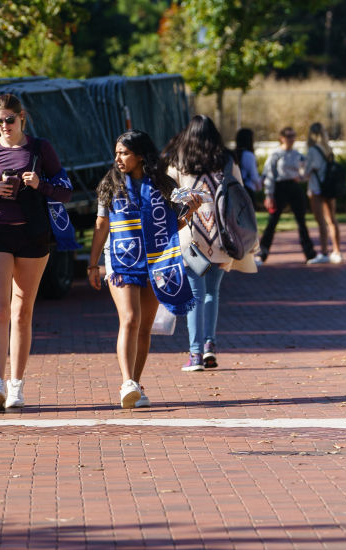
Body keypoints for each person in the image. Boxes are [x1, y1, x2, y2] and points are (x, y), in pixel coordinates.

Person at [0, 93, 72, 410]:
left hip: (33, 235)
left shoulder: (40, 148)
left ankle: (17, 385)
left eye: (10, 119)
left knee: (22, 312)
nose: (5, 126)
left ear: (22, 117)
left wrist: (39, 184)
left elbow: (65, 191)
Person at [88, 130, 196, 408]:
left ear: (139, 155)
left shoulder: (163, 184)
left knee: (145, 327)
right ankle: (127, 382)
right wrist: (93, 263)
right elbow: (101, 226)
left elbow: (173, 226)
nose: (118, 159)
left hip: (156, 260)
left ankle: (136, 382)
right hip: (121, 261)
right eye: (117, 153)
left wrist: (190, 212)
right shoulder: (110, 183)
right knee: (130, 318)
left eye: (124, 153)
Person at [162, 115, 257, 373]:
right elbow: (238, 191)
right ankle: (209, 347)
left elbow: (170, 194)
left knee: (194, 295)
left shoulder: (178, 160)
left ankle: (195, 354)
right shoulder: (226, 160)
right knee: (211, 293)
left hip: (192, 235)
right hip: (223, 234)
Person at [258, 126, 319, 264]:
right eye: (289, 136)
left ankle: (310, 254)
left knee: (301, 221)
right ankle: (262, 253)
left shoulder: (298, 155)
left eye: (293, 136)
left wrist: (303, 176)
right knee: (273, 221)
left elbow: (304, 172)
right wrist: (269, 195)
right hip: (280, 188)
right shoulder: (276, 155)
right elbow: (269, 175)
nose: (292, 139)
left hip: (294, 187)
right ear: (282, 138)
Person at [305, 122, 343, 264]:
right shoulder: (328, 148)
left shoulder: (312, 150)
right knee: (332, 219)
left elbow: (307, 171)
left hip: (317, 188)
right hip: (330, 187)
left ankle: (324, 252)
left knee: (321, 222)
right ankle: (337, 251)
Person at [234, 128, 263, 200]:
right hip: (247, 189)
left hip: (234, 189)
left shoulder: (233, 154)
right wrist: (259, 185)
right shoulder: (248, 155)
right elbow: (254, 176)